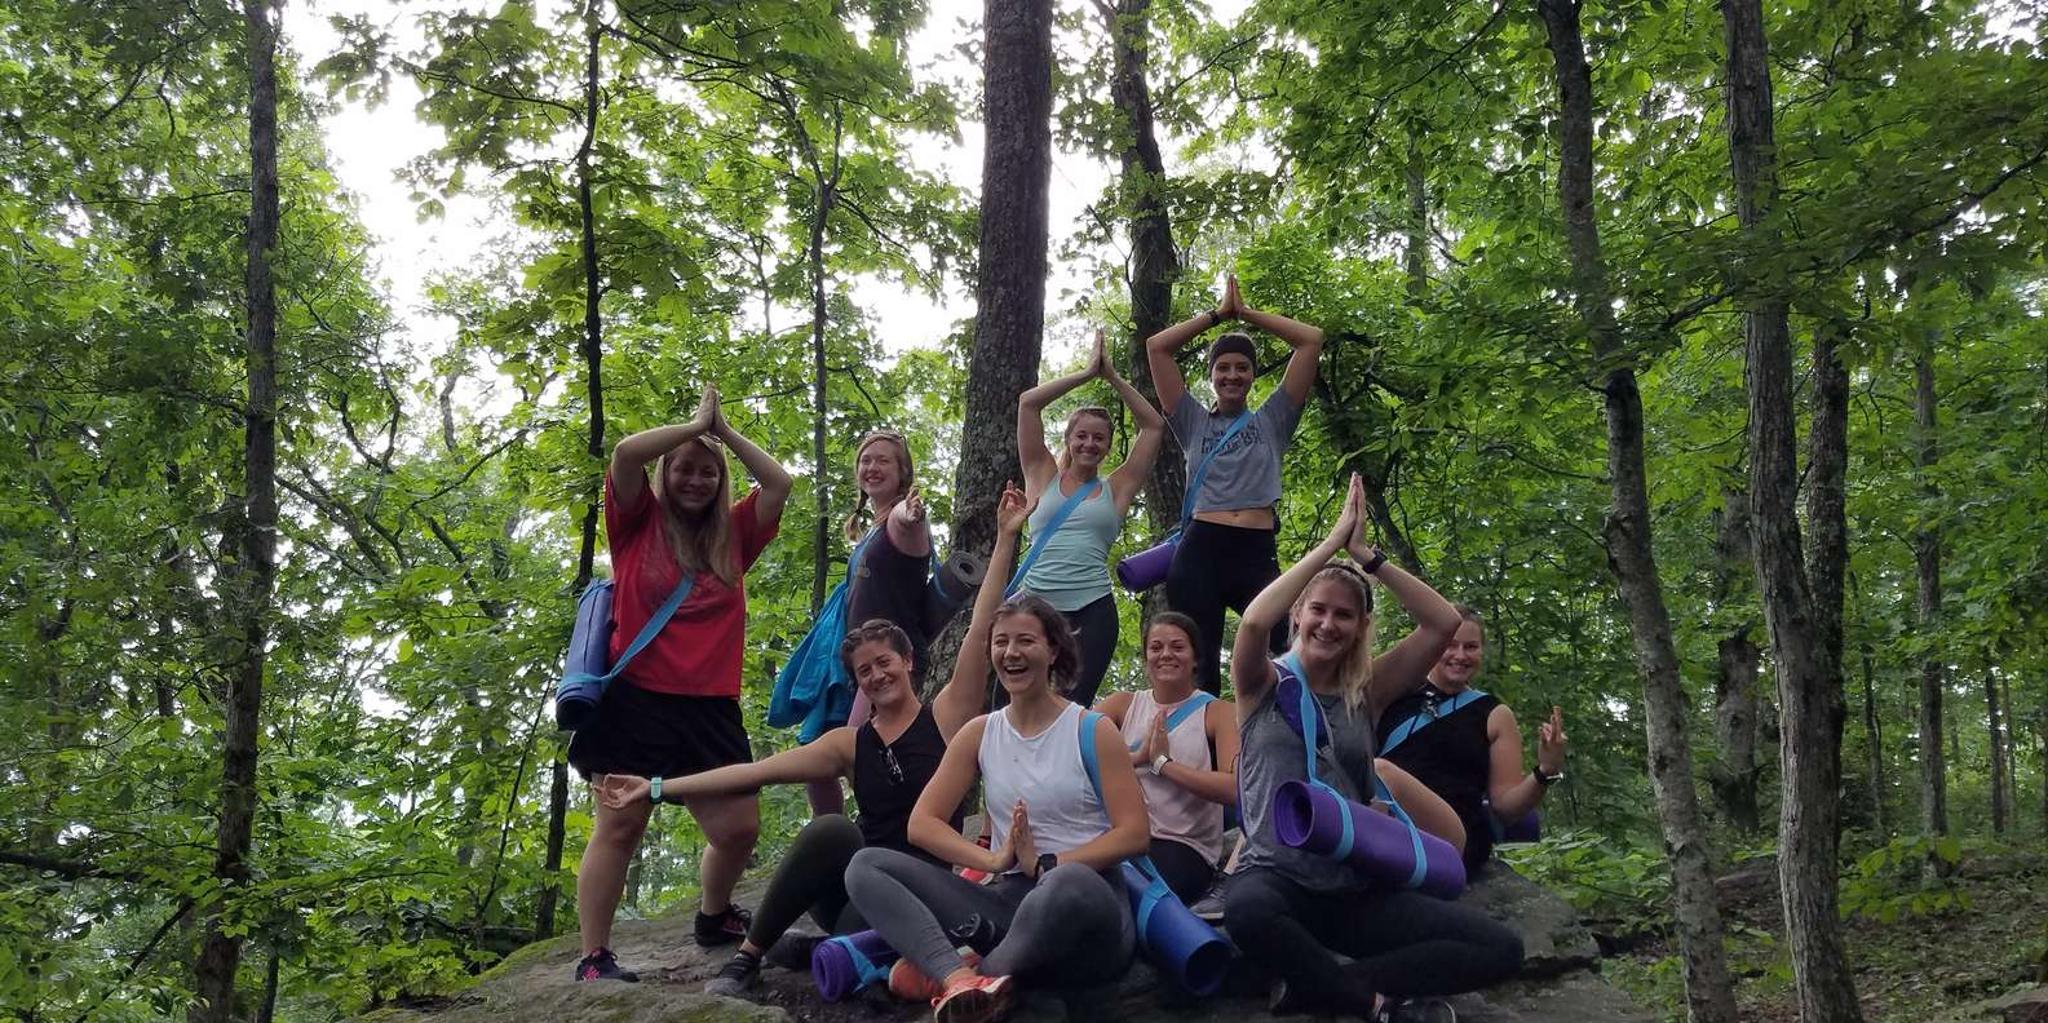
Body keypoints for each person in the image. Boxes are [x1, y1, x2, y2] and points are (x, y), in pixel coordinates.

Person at [596, 484, 1036, 996]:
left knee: (861, 880)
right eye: (864, 671)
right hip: (858, 896)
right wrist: (654, 787)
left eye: (885, 664)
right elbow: (754, 773)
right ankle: (748, 959)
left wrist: (1006, 537)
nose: (876, 677)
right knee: (831, 831)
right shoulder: (848, 745)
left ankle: (823, 955)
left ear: (909, 662)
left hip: (924, 896)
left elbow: (983, 629)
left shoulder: (947, 717)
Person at [1222, 474, 1523, 1019]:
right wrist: (1331, 546)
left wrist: (1369, 557)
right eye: (1317, 610)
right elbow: (1252, 622)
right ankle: (1375, 1003)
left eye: (1343, 615)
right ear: (1298, 616)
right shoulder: (1261, 685)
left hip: (1352, 886)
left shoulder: (1369, 693)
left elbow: (1443, 622)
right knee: (1246, 912)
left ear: (1361, 627)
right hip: (1275, 879)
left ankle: (1317, 986)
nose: (1328, 624)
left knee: (1500, 948)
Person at [568, 385, 792, 983]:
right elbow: (625, 454)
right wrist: (692, 424)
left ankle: (713, 916)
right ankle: (594, 958)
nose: (696, 480)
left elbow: (779, 484)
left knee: (739, 829)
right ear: (667, 475)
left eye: (707, 473)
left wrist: (726, 435)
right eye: (685, 470)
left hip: (709, 709)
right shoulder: (636, 521)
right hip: (634, 702)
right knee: (620, 824)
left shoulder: (736, 534)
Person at [842, 594, 1150, 1023]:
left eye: (1026, 640)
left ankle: (982, 978)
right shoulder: (980, 733)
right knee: (866, 865)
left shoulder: (1091, 729)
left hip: (1087, 911)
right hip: (1009, 905)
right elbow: (922, 824)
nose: (1011, 653)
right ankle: (961, 982)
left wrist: (1047, 863)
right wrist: (994, 859)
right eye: (1001, 642)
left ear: (1052, 650)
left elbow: (1134, 833)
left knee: (1066, 883)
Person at [1144, 274, 1324, 694]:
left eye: (1242, 367)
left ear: (1253, 376)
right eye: (1222, 367)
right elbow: (1157, 348)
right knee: (1197, 660)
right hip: (1201, 549)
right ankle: (1205, 750)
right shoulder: (1192, 421)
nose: (1232, 374)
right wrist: (1216, 315)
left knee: (1287, 646)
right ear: (1210, 376)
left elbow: (1311, 340)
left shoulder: (1274, 419)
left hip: (1255, 552)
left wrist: (1245, 314)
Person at [1013, 329, 1166, 707]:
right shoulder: (1042, 475)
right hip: (1034, 604)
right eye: (1081, 436)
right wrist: (1086, 373)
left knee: (1072, 707)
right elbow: (1028, 405)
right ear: (1068, 440)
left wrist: (1112, 377)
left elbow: (1154, 426)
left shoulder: (1117, 488)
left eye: (1099, 439)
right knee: (1013, 700)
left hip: (1092, 609)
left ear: (1108, 447)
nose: (1089, 444)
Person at [1377, 608, 1569, 872]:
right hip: (1389, 820)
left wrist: (1546, 771)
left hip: (1453, 838)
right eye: (1450, 645)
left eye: (1471, 647)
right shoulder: (1395, 692)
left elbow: (1506, 807)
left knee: (1382, 773)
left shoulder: (1494, 714)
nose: (1460, 656)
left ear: (1481, 651)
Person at [812, 429, 931, 816]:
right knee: (820, 760)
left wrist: (909, 513)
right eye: (866, 460)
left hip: (888, 661)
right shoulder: (869, 533)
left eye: (883, 460)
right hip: (855, 662)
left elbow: (904, 519)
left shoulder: (900, 524)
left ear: (903, 472)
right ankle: (833, 833)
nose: (872, 467)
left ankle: (890, 830)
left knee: (860, 752)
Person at [1090, 611, 1237, 902]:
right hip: (1118, 836)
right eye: (1156, 648)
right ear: (1146, 659)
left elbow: (1235, 789)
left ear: (1195, 657)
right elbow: (1070, 752)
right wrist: (1137, 757)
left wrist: (1163, 765)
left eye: (1178, 647)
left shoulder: (1217, 713)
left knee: (1118, 896)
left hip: (1181, 845)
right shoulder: (1121, 706)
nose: (1166, 654)